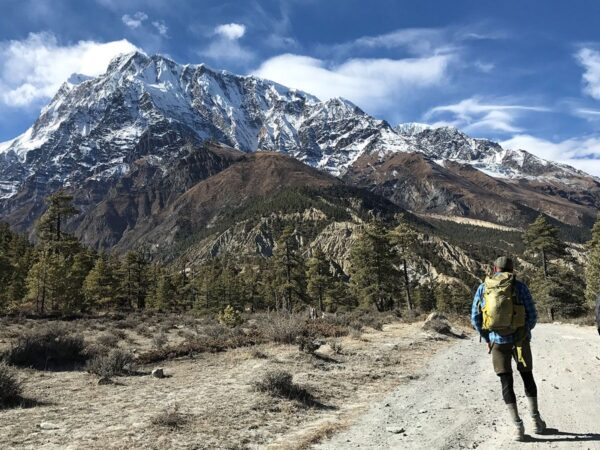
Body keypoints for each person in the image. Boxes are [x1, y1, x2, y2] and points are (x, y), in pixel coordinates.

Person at [471, 256, 546, 441]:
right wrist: (524, 332)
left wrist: (488, 337)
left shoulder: (484, 287)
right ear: (512, 270)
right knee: (527, 377)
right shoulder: (520, 287)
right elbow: (532, 315)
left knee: (506, 383)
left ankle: (517, 427)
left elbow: (475, 317)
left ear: (494, 269)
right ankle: (536, 421)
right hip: (520, 341)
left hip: (498, 342)